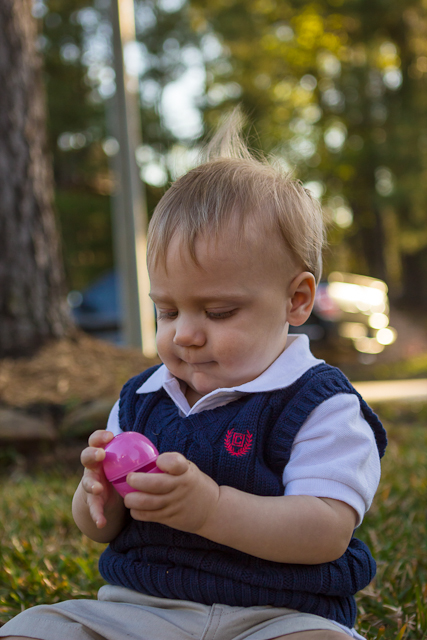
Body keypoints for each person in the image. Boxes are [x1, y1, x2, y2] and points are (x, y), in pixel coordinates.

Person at [1, 112, 386, 640]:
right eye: (168, 311)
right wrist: (97, 492)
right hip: (140, 611)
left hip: (277, 617)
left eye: (219, 312)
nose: (185, 335)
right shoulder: (142, 398)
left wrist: (211, 510)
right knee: (32, 627)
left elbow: (324, 533)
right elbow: (98, 530)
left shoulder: (321, 406)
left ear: (296, 300)